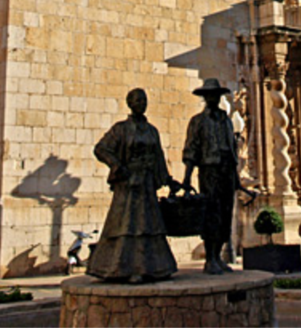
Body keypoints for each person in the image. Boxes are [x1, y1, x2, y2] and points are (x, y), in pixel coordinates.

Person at [87, 88, 179, 283]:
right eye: (137, 100)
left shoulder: (152, 131)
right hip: (128, 183)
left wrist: (169, 180)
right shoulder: (121, 129)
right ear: (130, 103)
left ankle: (153, 268)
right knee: (127, 224)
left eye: (144, 100)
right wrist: (117, 165)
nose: (141, 103)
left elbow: (159, 159)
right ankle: (125, 268)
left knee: (149, 224)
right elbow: (101, 149)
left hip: (146, 184)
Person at [182, 78, 239, 275]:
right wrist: (187, 177)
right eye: (210, 95)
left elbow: (233, 147)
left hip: (227, 170)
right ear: (205, 98)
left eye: (216, 95)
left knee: (225, 213)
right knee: (211, 213)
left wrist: (236, 177)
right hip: (209, 171)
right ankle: (210, 258)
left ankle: (219, 255)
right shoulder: (198, 122)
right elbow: (191, 150)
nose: (213, 98)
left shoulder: (226, 120)